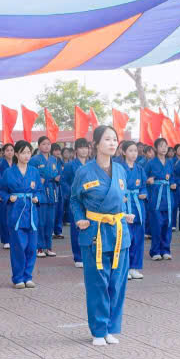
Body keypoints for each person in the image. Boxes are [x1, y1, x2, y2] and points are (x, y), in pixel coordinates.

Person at [70, 125, 134, 346]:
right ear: (96, 144)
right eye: (107, 139)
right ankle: (98, 330)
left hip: (119, 232)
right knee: (98, 283)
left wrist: (125, 214)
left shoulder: (121, 170)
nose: (112, 143)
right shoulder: (84, 172)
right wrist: (79, 218)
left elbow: (122, 198)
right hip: (95, 233)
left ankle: (110, 329)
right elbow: (74, 199)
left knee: (117, 283)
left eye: (115, 139)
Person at [1, 140, 41, 288]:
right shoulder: (8, 172)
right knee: (18, 247)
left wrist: (37, 197)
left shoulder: (34, 171)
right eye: (23, 152)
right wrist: (8, 197)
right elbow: (1, 190)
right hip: (16, 213)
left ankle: (28, 276)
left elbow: (39, 190)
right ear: (17, 154)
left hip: (31, 213)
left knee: (31, 247)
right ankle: (18, 278)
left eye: (29, 152)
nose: (27, 156)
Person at [119, 140, 147, 280]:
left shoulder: (140, 169)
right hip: (125, 206)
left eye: (135, 150)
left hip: (138, 206)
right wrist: (120, 195)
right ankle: (124, 268)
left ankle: (134, 267)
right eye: (130, 150)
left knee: (138, 237)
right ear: (124, 152)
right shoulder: (119, 168)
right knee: (126, 237)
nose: (134, 153)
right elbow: (115, 185)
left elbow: (144, 186)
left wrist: (144, 193)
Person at [145, 137, 175, 261]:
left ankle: (166, 250)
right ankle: (155, 251)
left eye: (165, 146)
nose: (164, 148)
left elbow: (173, 177)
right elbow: (143, 177)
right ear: (156, 148)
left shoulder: (170, 162)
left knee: (167, 225)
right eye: (161, 146)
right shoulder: (151, 163)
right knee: (157, 225)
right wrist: (148, 180)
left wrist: (173, 183)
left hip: (168, 198)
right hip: (155, 197)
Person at [62, 139, 91, 266]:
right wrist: (72, 193)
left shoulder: (93, 164)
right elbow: (64, 181)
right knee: (77, 228)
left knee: (91, 227)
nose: (84, 150)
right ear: (76, 150)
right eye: (81, 147)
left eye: (86, 147)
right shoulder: (70, 165)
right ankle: (78, 257)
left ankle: (89, 255)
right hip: (76, 201)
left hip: (91, 201)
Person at [32, 136, 60, 259]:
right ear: (39, 146)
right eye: (44, 144)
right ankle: (39, 247)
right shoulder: (34, 160)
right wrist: (40, 180)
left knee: (50, 221)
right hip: (41, 191)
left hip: (52, 191)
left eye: (48, 144)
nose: (47, 146)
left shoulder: (54, 159)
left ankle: (48, 247)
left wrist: (57, 178)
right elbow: (31, 175)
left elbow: (57, 173)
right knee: (41, 222)